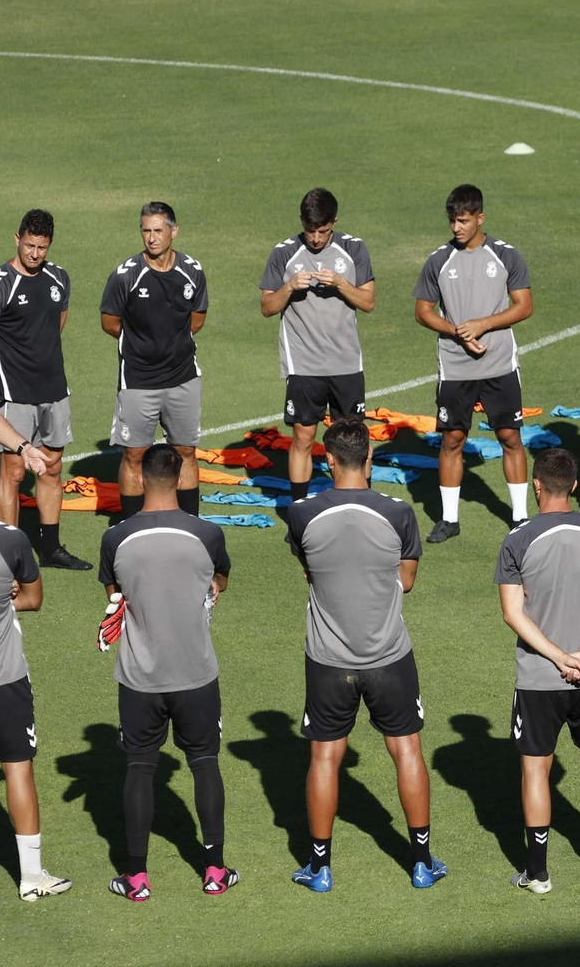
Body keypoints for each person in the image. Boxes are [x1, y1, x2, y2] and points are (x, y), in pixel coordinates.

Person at [284, 419, 441, 892]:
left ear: (327, 460)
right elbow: (406, 581)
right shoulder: (399, 513)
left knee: (325, 758)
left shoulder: (301, 513)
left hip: (328, 659)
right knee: (407, 751)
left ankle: (320, 867)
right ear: (369, 459)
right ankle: (420, 862)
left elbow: (310, 573)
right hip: (390, 655)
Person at [98, 443, 235, 899]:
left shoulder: (115, 538)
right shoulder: (208, 533)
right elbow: (219, 582)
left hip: (139, 677)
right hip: (196, 673)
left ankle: (135, 877)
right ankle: (214, 869)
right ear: (180, 478)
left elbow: (116, 593)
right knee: (204, 764)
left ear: (138, 480)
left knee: (139, 768)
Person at [494, 448, 580, 893]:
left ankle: (537, 873)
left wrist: (557, 657)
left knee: (535, 771)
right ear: (575, 485)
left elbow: (513, 614)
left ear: (536, 486)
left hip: (538, 678)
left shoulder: (517, 539)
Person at [413, 184, 533, 543]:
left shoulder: (506, 256)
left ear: (480, 217)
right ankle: (449, 519)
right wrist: (455, 331)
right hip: (455, 367)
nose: (456, 228)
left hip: (499, 364)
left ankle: (521, 517)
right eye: (452, 221)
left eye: (463, 220)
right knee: (452, 438)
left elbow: (524, 306)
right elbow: (422, 311)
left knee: (510, 436)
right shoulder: (438, 260)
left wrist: (482, 324)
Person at [259, 188, 375, 506]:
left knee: (353, 438)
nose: (315, 239)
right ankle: (298, 509)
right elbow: (267, 306)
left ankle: (361, 504)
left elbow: (368, 302)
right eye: (310, 230)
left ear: (333, 222)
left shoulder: (354, 249)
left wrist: (340, 284)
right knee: (303, 436)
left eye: (322, 231)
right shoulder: (284, 253)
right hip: (303, 365)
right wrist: (288, 287)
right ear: (302, 223)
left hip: (346, 363)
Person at [100, 202, 208, 519]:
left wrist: (169, 341)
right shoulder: (126, 276)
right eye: (146, 230)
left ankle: (190, 526)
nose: (151, 238)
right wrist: (143, 343)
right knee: (134, 456)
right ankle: (133, 527)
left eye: (158, 230)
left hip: (183, 377)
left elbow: (197, 318)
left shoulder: (192, 270)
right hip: (138, 381)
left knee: (186, 452)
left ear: (173, 231)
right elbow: (109, 322)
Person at [0, 210, 87, 569]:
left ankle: (50, 548)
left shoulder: (58, 278)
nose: (34, 253)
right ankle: (8, 555)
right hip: (14, 393)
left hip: (55, 390)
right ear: (17, 239)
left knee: (52, 468)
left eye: (41, 247)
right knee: (14, 472)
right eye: (29, 245)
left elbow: (56, 323)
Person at [0, 507, 70, 900]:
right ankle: (32, 877)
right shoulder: (9, 540)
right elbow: (33, 599)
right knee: (17, 769)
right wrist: (7, 601)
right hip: (3, 681)